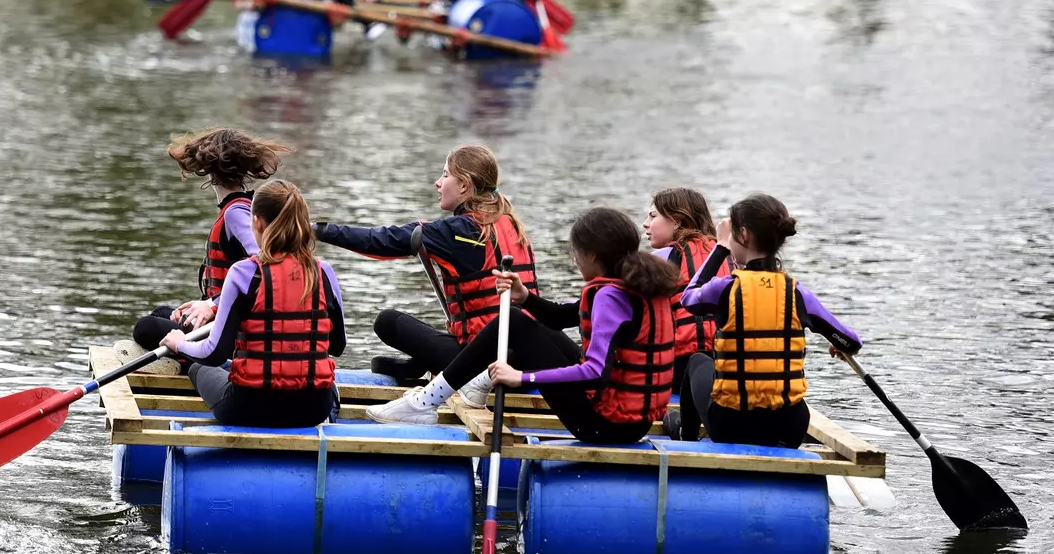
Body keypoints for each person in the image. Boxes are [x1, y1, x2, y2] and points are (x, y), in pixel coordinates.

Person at [365, 208, 677, 446]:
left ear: (592, 255)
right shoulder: (633, 284)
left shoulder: (610, 295)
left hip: (604, 426)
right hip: (630, 424)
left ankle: (425, 402)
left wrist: (522, 377)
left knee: (514, 320)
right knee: (527, 320)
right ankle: (471, 386)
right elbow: (559, 318)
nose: (576, 262)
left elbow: (596, 371)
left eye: (576, 254)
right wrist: (524, 296)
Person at [314, 144, 538, 381]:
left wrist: (318, 231)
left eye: (445, 175)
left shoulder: (459, 231)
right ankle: (419, 363)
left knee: (387, 322)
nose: (438, 183)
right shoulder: (512, 225)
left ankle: (422, 363)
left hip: (488, 364)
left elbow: (381, 241)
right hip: (529, 355)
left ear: (464, 185)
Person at [681, 194, 862, 449]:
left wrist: (720, 248)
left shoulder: (725, 289)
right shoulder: (798, 293)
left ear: (743, 235)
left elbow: (688, 298)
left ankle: (685, 441)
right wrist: (839, 344)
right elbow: (851, 342)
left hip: (731, 426)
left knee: (697, 361)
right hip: (789, 428)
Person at [160, 180, 346, 428]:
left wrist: (179, 344)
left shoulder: (244, 272)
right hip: (313, 408)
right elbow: (337, 345)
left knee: (198, 368)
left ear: (257, 222)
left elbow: (214, 354)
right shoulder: (324, 271)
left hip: (249, 406)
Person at [121, 128, 290, 375]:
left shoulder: (235, 213)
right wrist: (204, 304)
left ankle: (192, 358)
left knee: (145, 328)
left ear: (208, 170)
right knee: (162, 314)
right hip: (226, 320)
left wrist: (212, 304)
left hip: (236, 331)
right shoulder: (239, 207)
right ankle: (187, 350)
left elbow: (267, 264)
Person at [643, 187, 735, 441]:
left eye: (653, 216)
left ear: (676, 220)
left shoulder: (661, 258)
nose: (645, 224)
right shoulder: (732, 256)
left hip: (677, 371)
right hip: (728, 369)